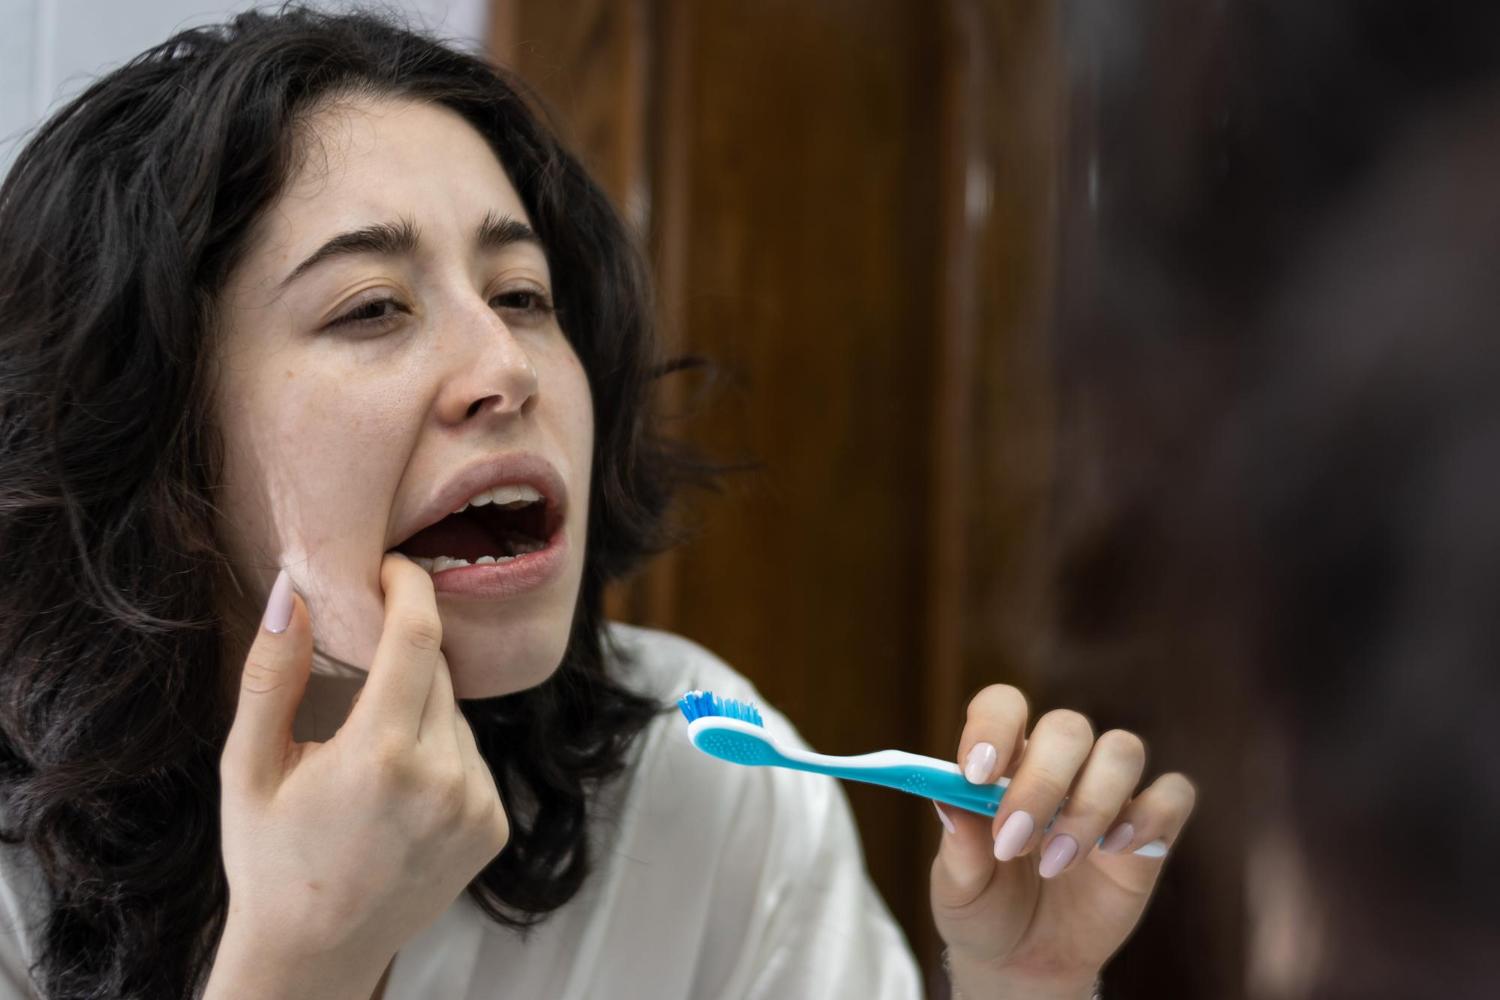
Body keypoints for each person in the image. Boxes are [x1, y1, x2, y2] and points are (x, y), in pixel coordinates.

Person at [0, 6, 1194, 998]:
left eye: (523, 295)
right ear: (156, 444)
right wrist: (303, 964)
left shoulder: (700, 772)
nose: (507, 368)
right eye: (372, 308)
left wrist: (1026, 982)